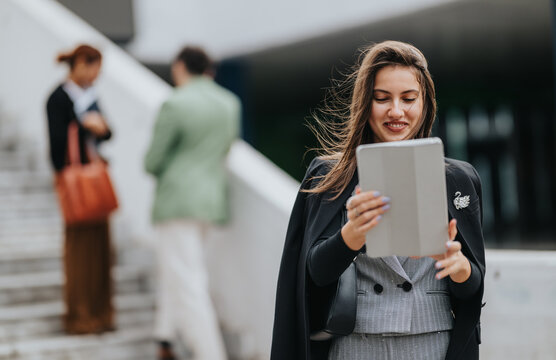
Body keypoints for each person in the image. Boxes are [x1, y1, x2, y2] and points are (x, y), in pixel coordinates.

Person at [271, 41, 485, 360]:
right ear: (364, 103)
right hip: (355, 344)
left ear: (425, 103)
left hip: (433, 343)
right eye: (381, 98)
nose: (396, 111)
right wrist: (352, 236)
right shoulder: (331, 175)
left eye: (408, 98)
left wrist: (460, 269)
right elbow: (313, 273)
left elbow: (473, 288)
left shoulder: (458, 178)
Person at [144, 46, 241, 360]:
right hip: (210, 200)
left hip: (177, 201)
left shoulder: (175, 102)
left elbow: (152, 161)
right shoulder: (229, 103)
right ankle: (165, 338)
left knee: (188, 282)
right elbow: (227, 147)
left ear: (181, 67)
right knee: (179, 272)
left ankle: (211, 354)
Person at [46, 44, 114, 334]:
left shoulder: (91, 96)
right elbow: (58, 145)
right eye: (94, 68)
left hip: (94, 179)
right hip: (75, 184)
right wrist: (85, 124)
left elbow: (110, 132)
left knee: (100, 251)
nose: (96, 76)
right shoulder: (58, 98)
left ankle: (102, 314)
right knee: (78, 252)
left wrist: (100, 128)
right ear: (81, 65)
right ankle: (80, 316)